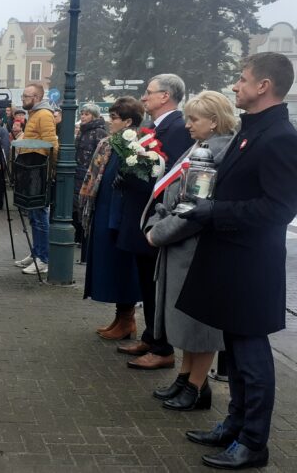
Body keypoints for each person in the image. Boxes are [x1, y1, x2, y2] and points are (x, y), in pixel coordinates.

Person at [178, 53, 297, 470]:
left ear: (264, 86)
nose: (235, 86)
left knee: (251, 357)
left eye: (242, 80)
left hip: (252, 266)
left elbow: (279, 208)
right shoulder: (253, 130)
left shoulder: (280, 137)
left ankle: (253, 442)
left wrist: (215, 212)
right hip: (233, 260)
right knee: (235, 351)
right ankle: (234, 425)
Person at [141, 91, 236, 413]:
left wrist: (159, 233)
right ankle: (185, 377)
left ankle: (197, 386)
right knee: (183, 320)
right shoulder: (201, 146)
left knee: (198, 324)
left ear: (214, 121)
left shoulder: (217, 152)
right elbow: (173, 194)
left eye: (194, 119)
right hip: (180, 247)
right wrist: (156, 221)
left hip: (195, 250)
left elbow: (195, 208)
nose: (188, 125)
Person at [120, 74, 193, 369]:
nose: (144, 97)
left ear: (165, 96)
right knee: (145, 281)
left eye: (149, 92)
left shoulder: (177, 128)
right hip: (142, 213)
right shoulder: (153, 127)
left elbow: (172, 176)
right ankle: (151, 336)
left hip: (156, 216)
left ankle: (162, 347)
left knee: (155, 285)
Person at [79, 97, 144, 333]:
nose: (110, 121)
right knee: (109, 263)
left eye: (115, 117)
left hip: (119, 213)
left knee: (121, 265)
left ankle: (127, 319)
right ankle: (120, 317)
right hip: (104, 208)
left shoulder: (136, 145)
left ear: (128, 122)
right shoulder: (108, 143)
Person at [13, 83, 59, 275]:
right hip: (31, 168)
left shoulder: (44, 115)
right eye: (23, 96)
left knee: (40, 215)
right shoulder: (34, 114)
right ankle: (37, 253)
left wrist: (52, 169)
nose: (23, 99)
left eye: (26, 96)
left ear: (37, 98)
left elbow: (51, 143)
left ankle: (43, 259)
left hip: (38, 169)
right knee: (33, 215)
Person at [74, 103, 108, 262]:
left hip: (89, 174)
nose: (83, 116)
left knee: (84, 207)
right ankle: (79, 237)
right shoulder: (82, 130)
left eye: (86, 114)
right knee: (77, 205)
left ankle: (84, 240)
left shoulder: (99, 132)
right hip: (78, 172)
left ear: (94, 116)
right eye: (82, 113)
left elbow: (100, 156)